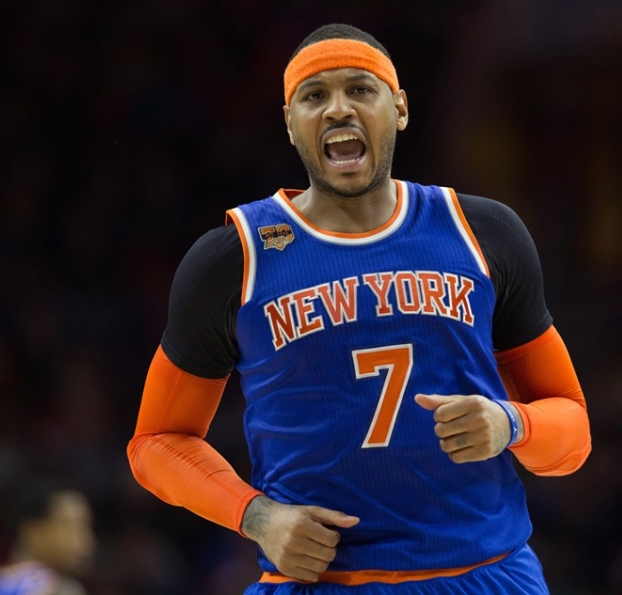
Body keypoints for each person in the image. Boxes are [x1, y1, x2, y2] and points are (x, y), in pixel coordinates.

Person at [127, 23, 591, 594]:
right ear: (290, 123)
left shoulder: (483, 231)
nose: (338, 108)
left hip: (486, 574)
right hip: (321, 580)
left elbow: (573, 430)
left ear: (400, 108)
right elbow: (155, 442)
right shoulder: (234, 257)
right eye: (314, 95)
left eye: (360, 89)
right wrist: (257, 516)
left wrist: (511, 423)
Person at [0, 480, 96, 595]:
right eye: (70, 526)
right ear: (32, 531)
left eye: (86, 527)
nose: (87, 539)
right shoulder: (56, 589)